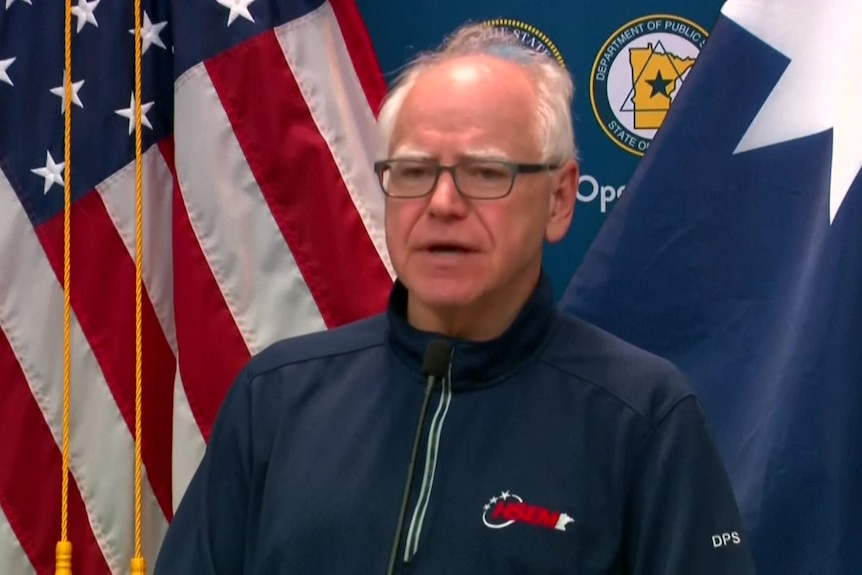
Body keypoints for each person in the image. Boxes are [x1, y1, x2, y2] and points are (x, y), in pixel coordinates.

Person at [155, 23, 757, 574]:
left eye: (486, 173)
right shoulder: (276, 401)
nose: (442, 204)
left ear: (559, 198)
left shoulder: (644, 418)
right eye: (415, 172)